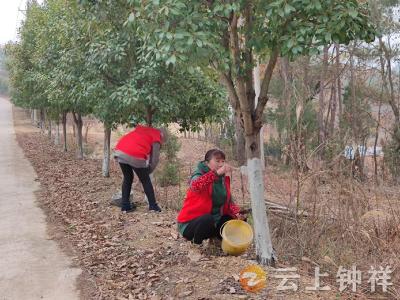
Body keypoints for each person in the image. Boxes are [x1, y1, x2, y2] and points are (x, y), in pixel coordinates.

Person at [177, 149, 243, 244]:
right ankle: (196, 244)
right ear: (207, 162)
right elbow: (195, 186)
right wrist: (215, 174)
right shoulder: (198, 174)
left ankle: (219, 242)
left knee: (233, 220)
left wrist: (237, 213)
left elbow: (227, 201)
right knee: (207, 219)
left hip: (214, 222)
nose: (221, 164)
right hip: (192, 223)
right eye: (217, 161)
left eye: (223, 161)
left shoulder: (222, 180)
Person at [114, 124, 166, 213]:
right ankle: (153, 206)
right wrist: (148, 171)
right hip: (135, 153)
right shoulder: (157, 136)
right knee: (145, 180)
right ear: (162, 135)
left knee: (128, 178)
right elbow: (155, 159)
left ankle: (125, 206)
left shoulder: (144, 130)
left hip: (120, 150)